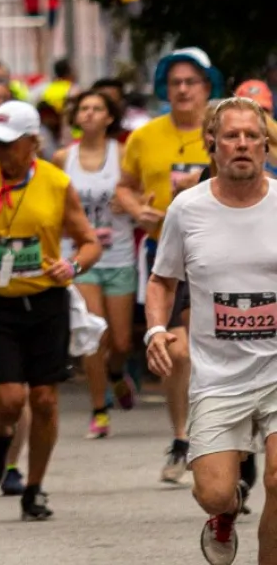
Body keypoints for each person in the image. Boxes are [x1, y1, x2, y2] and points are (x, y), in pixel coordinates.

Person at [0, 100, 100, 521]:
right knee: (10, 399)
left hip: (47, 301)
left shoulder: (56, 183)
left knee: (45, 400)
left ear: (33, 142)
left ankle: (34, 488)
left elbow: (89, 242)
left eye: (9, 144)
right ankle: (1, 434)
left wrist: (72, 266)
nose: (0, 152)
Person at [144, 97, 277, 565]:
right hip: (218, 377)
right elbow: (162, 280)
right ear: (212, 145)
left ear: (265, 145)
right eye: (231, 136)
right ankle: (225, 512)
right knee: (215, 492)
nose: (242, 144)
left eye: (251, 136)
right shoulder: (187, 209)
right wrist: (155, 329)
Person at [117, 47, 221, 482]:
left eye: (190, 82)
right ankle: (182, 437)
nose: (182, 90)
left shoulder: (227, 128)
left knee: (208, 350)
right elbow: (123, 188)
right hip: (166, 252)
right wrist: (135, 210)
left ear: (207, 86)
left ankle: (216, 438)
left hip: (220, 255)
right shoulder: (145, 137)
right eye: (174, 82)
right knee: (178, 352)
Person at [52, 90, 138, 439]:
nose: (89, 113)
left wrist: (128, 202)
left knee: (121, 342)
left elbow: (140, 191)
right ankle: (99, 410)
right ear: (76, 117)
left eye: (96, 108)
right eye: (84, 108)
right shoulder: (63, 158)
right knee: (94, 335)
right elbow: (50, 200)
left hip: (118, 254)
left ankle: (116, 374)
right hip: (80, 256)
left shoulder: (124, 154)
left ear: (109, 117)